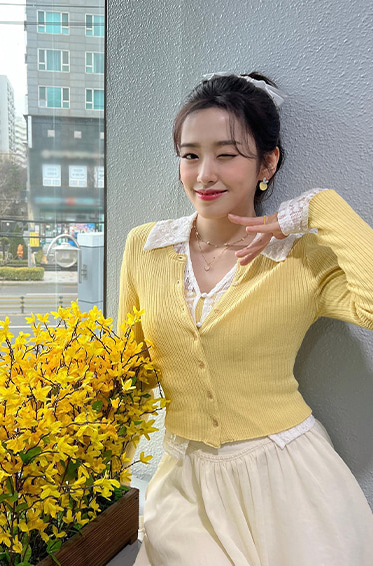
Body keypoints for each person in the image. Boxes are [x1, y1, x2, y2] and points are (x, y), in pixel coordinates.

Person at [117, 72, 373, 566]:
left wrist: (318, 207)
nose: (204, 174)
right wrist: (100, 480)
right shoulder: (145, 247)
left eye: (227, 155)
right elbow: (128, 374)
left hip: (289, 480)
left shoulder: (302, 256)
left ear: (267, 162)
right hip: (184, 483)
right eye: (190, 155)